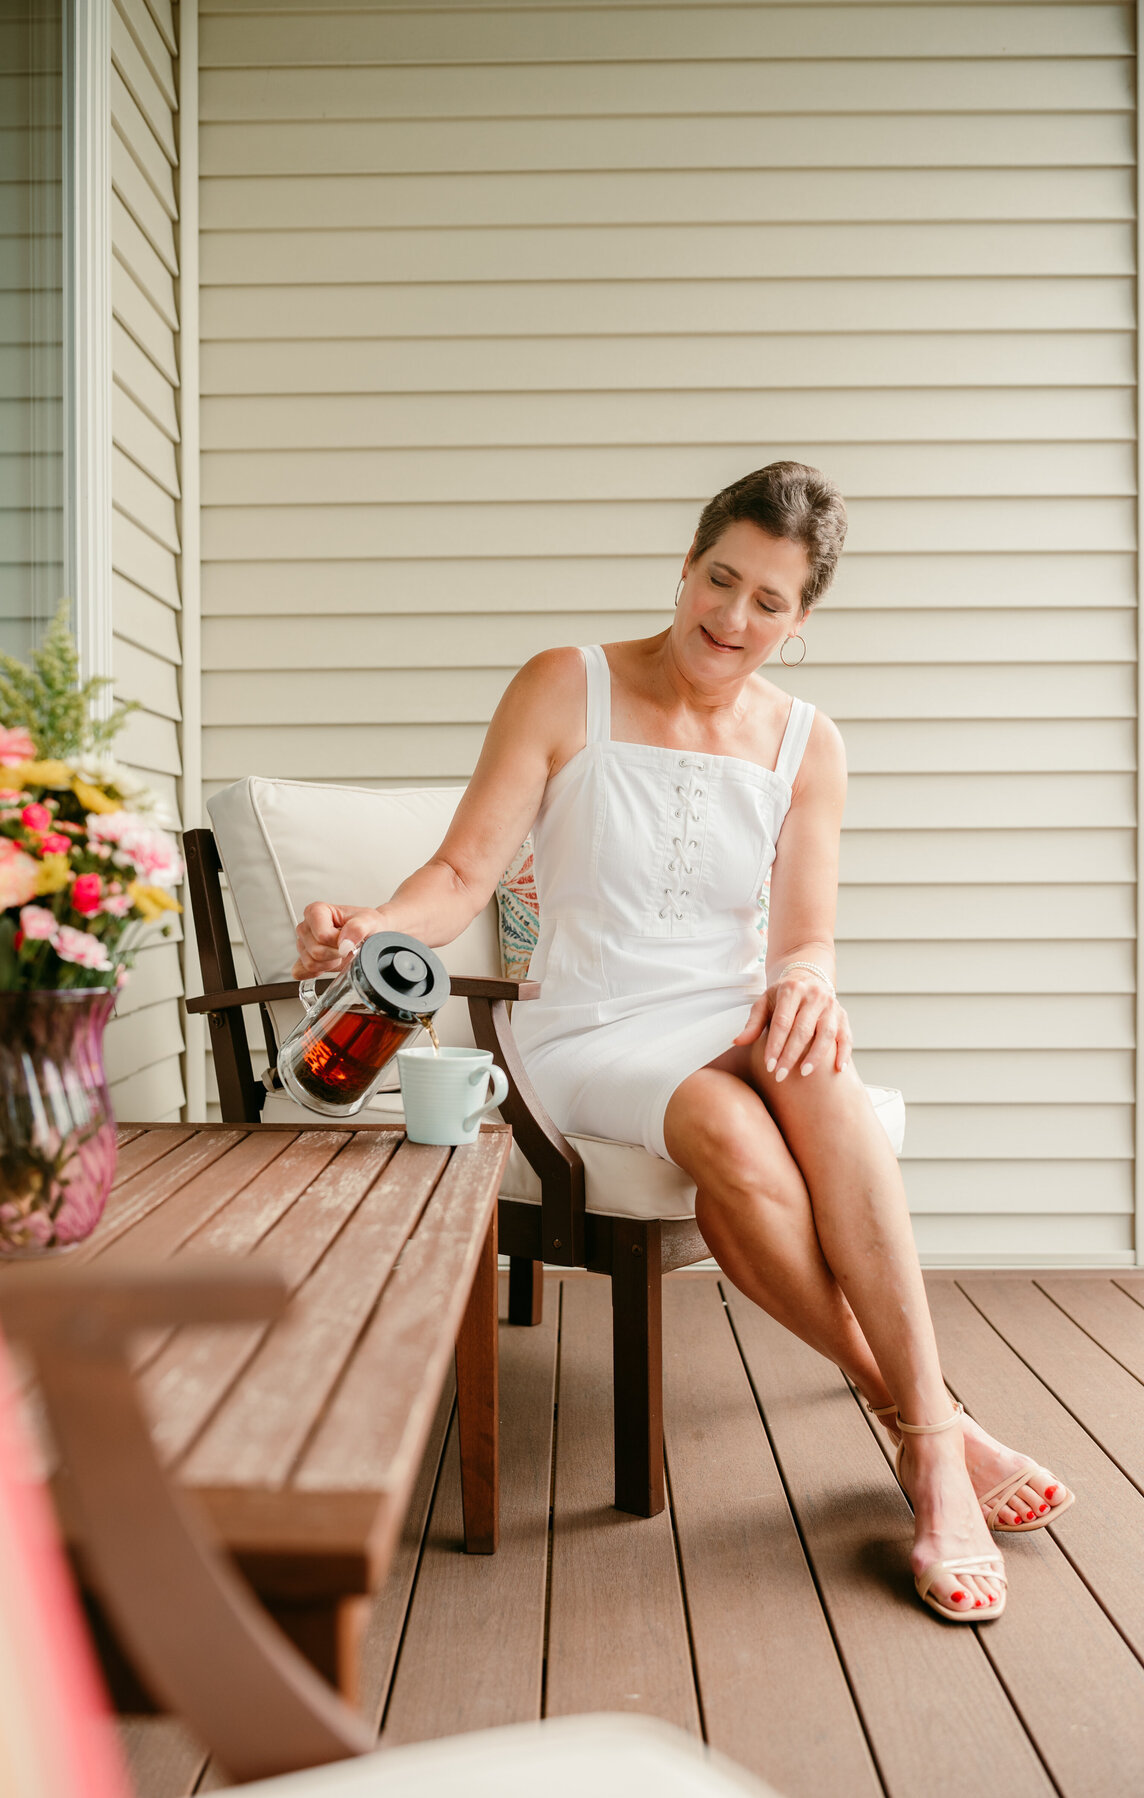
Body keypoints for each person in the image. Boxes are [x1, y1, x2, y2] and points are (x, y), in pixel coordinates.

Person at [293, 461, 1073, 1621]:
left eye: (771, 602)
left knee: (818, 1068)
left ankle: (924, 1444)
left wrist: (809, 984)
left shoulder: (810, 743)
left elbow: (805, 940)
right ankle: (936, 1431)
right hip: (588, 1026)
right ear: (688, 561)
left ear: (803, 621)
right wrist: (371, 924)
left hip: (730, 1012)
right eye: (721, 580)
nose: (734, 619)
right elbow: (462, 874)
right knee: (725, 1131)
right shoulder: (569, 685)